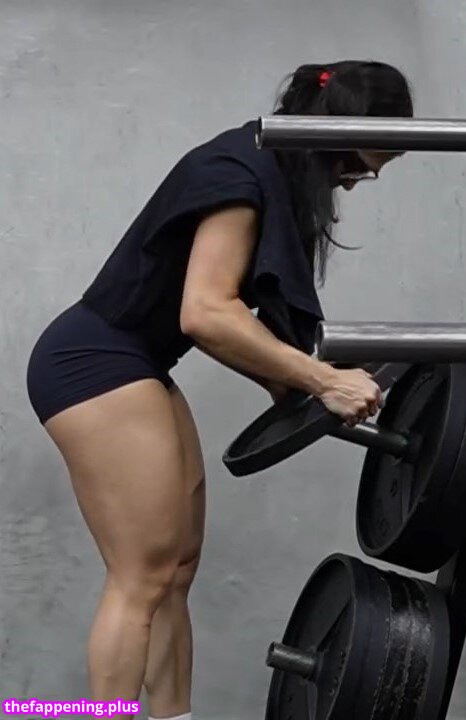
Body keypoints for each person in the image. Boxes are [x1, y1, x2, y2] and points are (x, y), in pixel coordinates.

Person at [26, 60, 414, 720]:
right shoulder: (239, 173)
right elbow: (206, 313)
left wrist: (286, 385)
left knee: (174, 572)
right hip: (93, 364)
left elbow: (214, 318)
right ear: (333, 134)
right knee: (141, 576)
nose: (361, 178)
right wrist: (321, 378)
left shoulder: (263, 164)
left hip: (137, 363)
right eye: (358, 162)